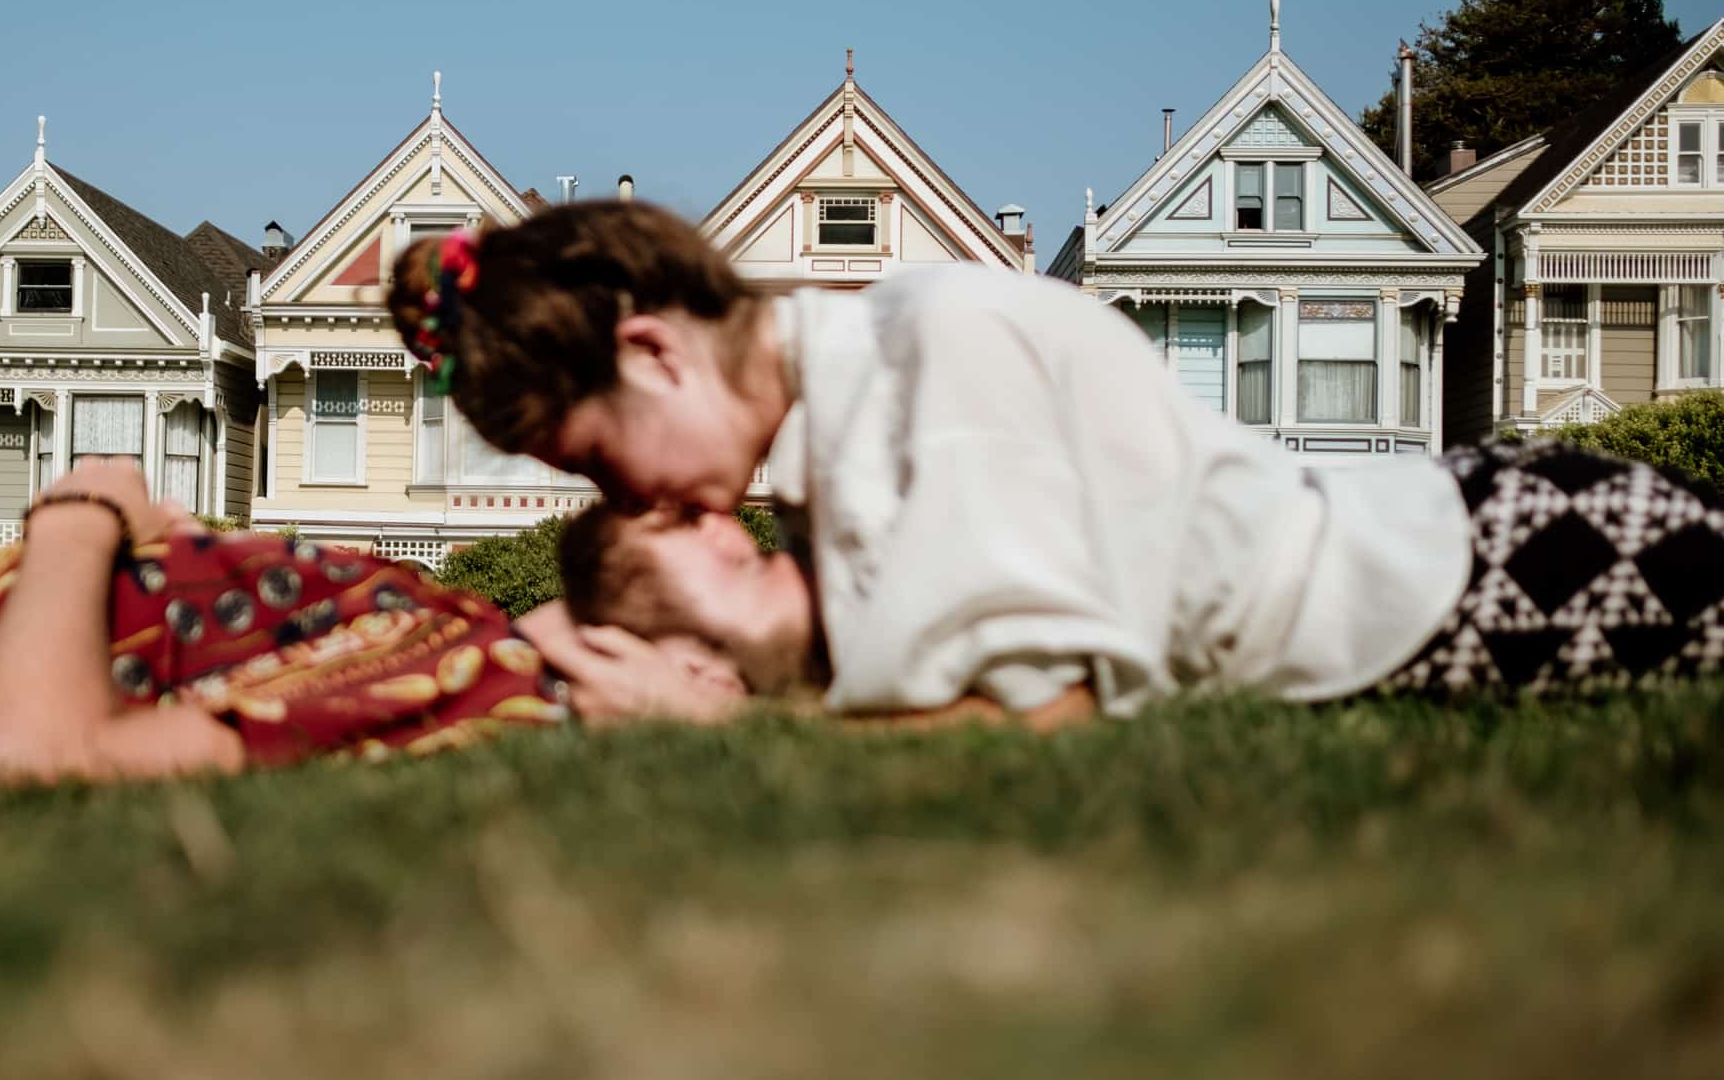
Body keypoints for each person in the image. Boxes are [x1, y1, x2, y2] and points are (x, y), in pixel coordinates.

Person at [391, 205, 1724, 722]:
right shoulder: (824, 447)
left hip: (1477, 565)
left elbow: (1040, 724)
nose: (637, 505)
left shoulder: (937, 359)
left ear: (655, 355)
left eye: (602, 464)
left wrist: (719, 726)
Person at [0, 459, 745, 783]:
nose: (717, 507)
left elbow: (32, 763)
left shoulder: (485, 683)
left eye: (739, 557)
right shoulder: (462, 629)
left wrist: (82, 513)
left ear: (703, 683)